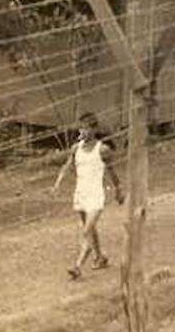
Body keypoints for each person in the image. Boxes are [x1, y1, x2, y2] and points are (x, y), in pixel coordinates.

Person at [52, 117, 124, 281]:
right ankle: (101, 257)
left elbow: (112, 171)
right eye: (80, 129)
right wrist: (58, 183)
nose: (81, 132)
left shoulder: (102, 149)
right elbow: (67, 166)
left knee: (86, 232)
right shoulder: (76, 148)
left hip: (96, 195)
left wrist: (118, 189)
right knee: (90, 229)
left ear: (94, 129)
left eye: (85, 129)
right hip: (80, 194)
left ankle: (77, 266)